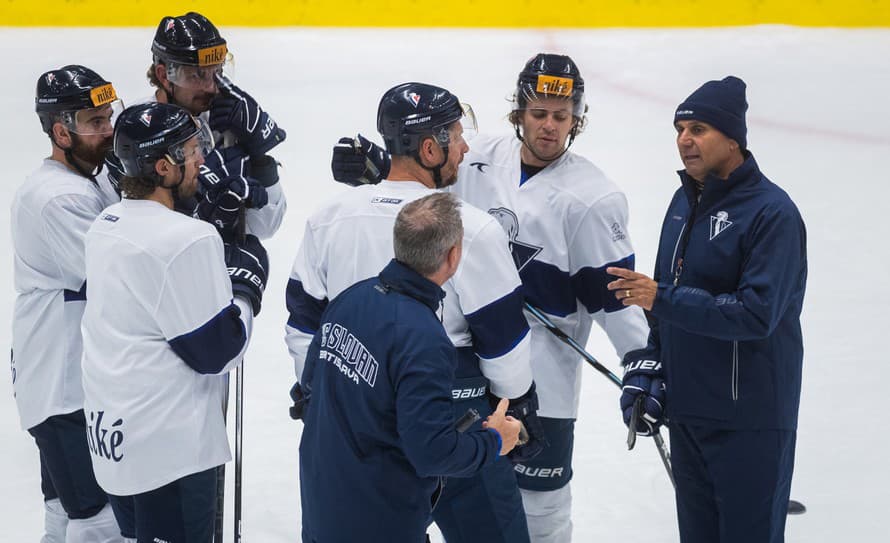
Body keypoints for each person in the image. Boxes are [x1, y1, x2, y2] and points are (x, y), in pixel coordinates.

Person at [330, 54, 650, 542]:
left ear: (576, 121)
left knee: (540, 515)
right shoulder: (475, 156)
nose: (548, 127)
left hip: (543, 380)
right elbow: (424, 177)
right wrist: (381, 167)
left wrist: (643, 362)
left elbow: (617, 298)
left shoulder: (592, 198)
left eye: (561, 118)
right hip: (461, 370)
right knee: (462, 501)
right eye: (539, 113)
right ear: (518, 111)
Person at [287, 82, 542, 543]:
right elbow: (506, 349)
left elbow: (304, 324)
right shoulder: (470, 227)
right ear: (429, 148)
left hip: (353, 425)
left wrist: (320, 390)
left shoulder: (329, 216)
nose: (465, 149)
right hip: (457, 426)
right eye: (457, 136)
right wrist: (515, 409)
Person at [606, 76, 807, 543]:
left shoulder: (772, 214)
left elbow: (756, 314)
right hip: (690, 414)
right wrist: (651, 369)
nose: (684, 140)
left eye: (698, 128)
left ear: (732, 138)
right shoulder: (683, 202)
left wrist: (662, 299)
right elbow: (662, 304)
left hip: (749, 421)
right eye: (679, 129)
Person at [80, 102, 268, 542]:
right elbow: (216, 352)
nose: (202, 158)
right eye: (191, 149)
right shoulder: (187, 239)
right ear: (163, 166)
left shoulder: (105, 224)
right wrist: (244, 289)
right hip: (170, 452)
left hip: (115, 441)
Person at [297, 192, 522, 542]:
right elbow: (432, 453)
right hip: (379, 521)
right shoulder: (424, 337)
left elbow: (309, 389)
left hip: (322, 503)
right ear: (453, 256)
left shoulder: (351, 297)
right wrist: (494, 440)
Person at [11, 65, 125, 542]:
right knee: (96, 521)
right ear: (61, 132)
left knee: (62, 511)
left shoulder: (86, 179)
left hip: (58, 379)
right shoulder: (56, 198)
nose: (108, 131)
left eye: (107, 117)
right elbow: (115, 279)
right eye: (94, 123)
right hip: (63, 388)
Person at [134, 11, 287, 240]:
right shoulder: (136, 132)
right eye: (196, 75)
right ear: (164, 75)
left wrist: (260, 158)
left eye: (217, 72)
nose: (211, 87)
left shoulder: (230, 122)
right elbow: (136, 231)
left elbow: (264, 228)